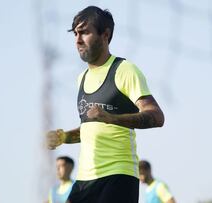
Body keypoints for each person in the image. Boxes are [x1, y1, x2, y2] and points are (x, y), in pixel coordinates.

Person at [46, 5, 164, 203]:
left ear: (105, 35)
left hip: (118, 176)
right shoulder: (81, 78)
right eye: (75, 34)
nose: (77, 40)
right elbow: (89, 129)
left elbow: (156, 116)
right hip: (84, 181)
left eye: (84, 32)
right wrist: (64, 136)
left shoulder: (124, 70)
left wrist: (112, 119)